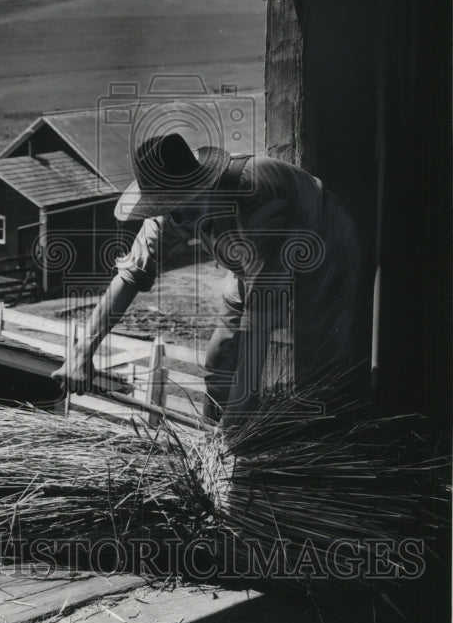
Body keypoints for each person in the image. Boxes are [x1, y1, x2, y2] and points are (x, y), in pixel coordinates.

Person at [52, 133, 360, 423]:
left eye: (182, 205)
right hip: (245, 255)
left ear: (206, 185)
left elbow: (259, 322)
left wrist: (239, 417)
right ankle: (216, 439)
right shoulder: (171, 212)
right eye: (168, 209)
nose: (177, 220)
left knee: (316, 368)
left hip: (323, 245)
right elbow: (130, 275)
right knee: (220, 358)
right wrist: (82, 353)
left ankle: (319, 445)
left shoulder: (260, 202)